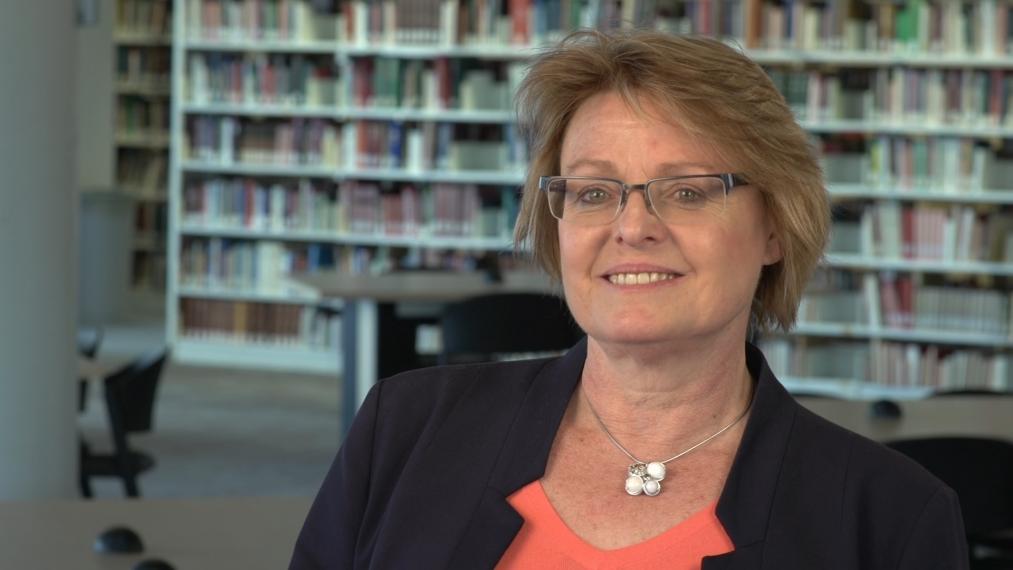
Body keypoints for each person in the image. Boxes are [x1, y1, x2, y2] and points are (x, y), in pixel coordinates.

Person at [290, 29, 968, 569]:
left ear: (773, 227)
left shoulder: (888, 518)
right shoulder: (404, 431)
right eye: (592, 192)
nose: (633, 225)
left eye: (688, 191)